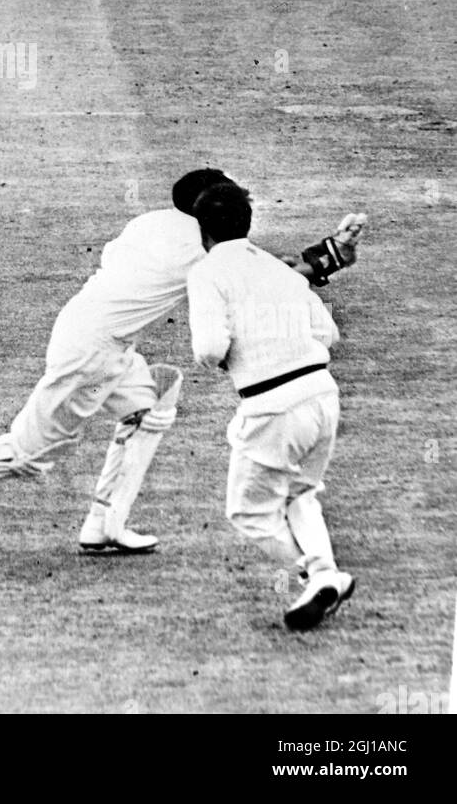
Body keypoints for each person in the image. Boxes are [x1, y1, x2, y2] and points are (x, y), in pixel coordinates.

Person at [0, 169, 365, 555]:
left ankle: (105, 524)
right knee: (29, 454)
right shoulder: (195, 247)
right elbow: (265, 275)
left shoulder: (152, 222)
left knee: (154, 405)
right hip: (90, 353)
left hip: (96, 337)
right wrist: (330, 256)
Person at [186, 181, 359, 631]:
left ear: (201, 231)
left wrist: (237, 354)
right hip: (322, 394)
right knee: (300, 494)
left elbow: (208, 347)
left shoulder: (207, 272)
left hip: (273, 404)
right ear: (247, 223)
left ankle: (320, 577)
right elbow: (327, 334)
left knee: (248, 513)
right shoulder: (281, 270)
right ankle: (323, 573)